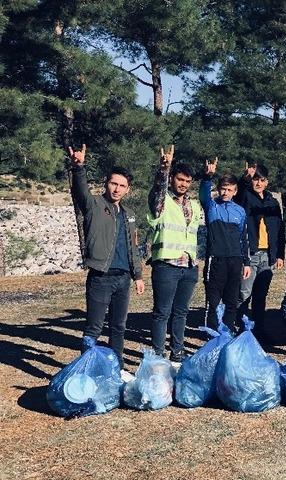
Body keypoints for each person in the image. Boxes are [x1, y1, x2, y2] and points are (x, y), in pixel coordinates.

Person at [68, 144, 144, 376]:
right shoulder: (94, 205)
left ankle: (116, 368)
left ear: (127, 189)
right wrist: (79, 167)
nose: (117, 189)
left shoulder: (129, 214)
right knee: (94, 328)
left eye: (122, 186)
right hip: (100, 277)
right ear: (106, 183)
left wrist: (138, 275)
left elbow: (134, 246)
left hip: (123, 279)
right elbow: (80, 191)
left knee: (119, 327)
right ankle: (85, 369)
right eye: (114, 183)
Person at [147, 146, 202, 362]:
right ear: (172, 180)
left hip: (188, 267)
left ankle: (177, 351)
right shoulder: (162, 202)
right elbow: (157, 191)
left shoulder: (194, 205)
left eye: (187, 181)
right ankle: (158, 354)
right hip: (166, 266)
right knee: (162, 313)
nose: (183, 184)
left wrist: (196, 263)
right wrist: (163, 169)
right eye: (179, 179)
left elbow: (199, 234)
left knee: (181, 313)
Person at [199, 160, 251, 332]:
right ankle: (212, 333)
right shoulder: (211, 206)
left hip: (235, 260)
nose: (225, 192)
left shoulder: (240, 211)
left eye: (229, 189)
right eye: (223, 188)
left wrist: (247, 262)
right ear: (218, 189)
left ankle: (227, 332)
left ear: (235, 192)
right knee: (213, 300)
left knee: (231, 300)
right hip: (216, 259)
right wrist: (208, 177)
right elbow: (203, 195)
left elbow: (243, 238)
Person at [236, 163, 285, 341]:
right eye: (255, 179)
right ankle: (240, 328)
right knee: (244, 293)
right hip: (250, 254)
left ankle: (258, 330)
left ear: (267, 182)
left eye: (262, 180)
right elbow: (240, 193)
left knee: (260, 295)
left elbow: (280, 229)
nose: (258, 183)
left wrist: (280, 254)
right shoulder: (245, 197)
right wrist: (244, 179)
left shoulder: (272, 202)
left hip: (267, 255)